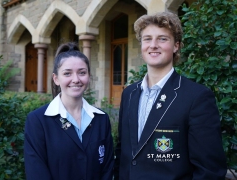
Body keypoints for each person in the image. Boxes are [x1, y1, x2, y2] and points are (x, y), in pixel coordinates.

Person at [114, 12, 227, 180]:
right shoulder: (129, 93)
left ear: (176, 46)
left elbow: (209, 171)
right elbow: (123, 152)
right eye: (147, 39)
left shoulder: (197, 97)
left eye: (162, 39)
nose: (153, 45)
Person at [24, 42, 114, 180]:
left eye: (82, 73)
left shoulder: (101, 119)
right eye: (67, 73)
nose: (76, 79)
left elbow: (107, 168)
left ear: (88, 77)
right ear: (56, 79)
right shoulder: (38, 120)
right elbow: (37, 172)